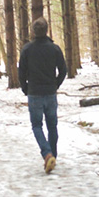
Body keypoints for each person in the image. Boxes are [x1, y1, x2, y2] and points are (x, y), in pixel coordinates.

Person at [18, 16, 67, 174]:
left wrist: (25, 88)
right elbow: (64, 70)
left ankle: (47, 155)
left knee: (37, 126)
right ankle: (52, 156)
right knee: (52, 126)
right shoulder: (55, 49)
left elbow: (21, 73)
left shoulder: (27, 49)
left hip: (35, 94)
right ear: (46, 30)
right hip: (50, 93)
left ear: (33, 31)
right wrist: (55, 84)